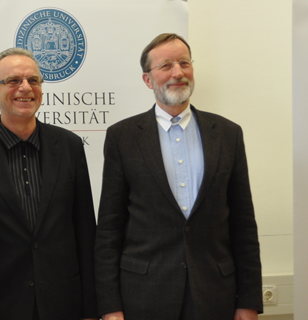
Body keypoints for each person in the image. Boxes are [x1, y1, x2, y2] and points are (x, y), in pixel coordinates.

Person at [94, 33, 263, 320]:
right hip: (144, 296)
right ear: (148, 79)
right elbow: (109, 229)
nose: (178, 73)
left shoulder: (227, 134)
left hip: (215, 296)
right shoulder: (122, 138)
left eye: (184, 63)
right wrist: (110, 307)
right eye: (166, 65)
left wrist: (248, 302)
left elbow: (243, 224)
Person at [0, 47, 98, 320]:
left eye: (33, 80)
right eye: (13, 81)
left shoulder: (69, 146)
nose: (25, 87)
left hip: (62, 304)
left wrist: (91, 308)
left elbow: (85, 231)